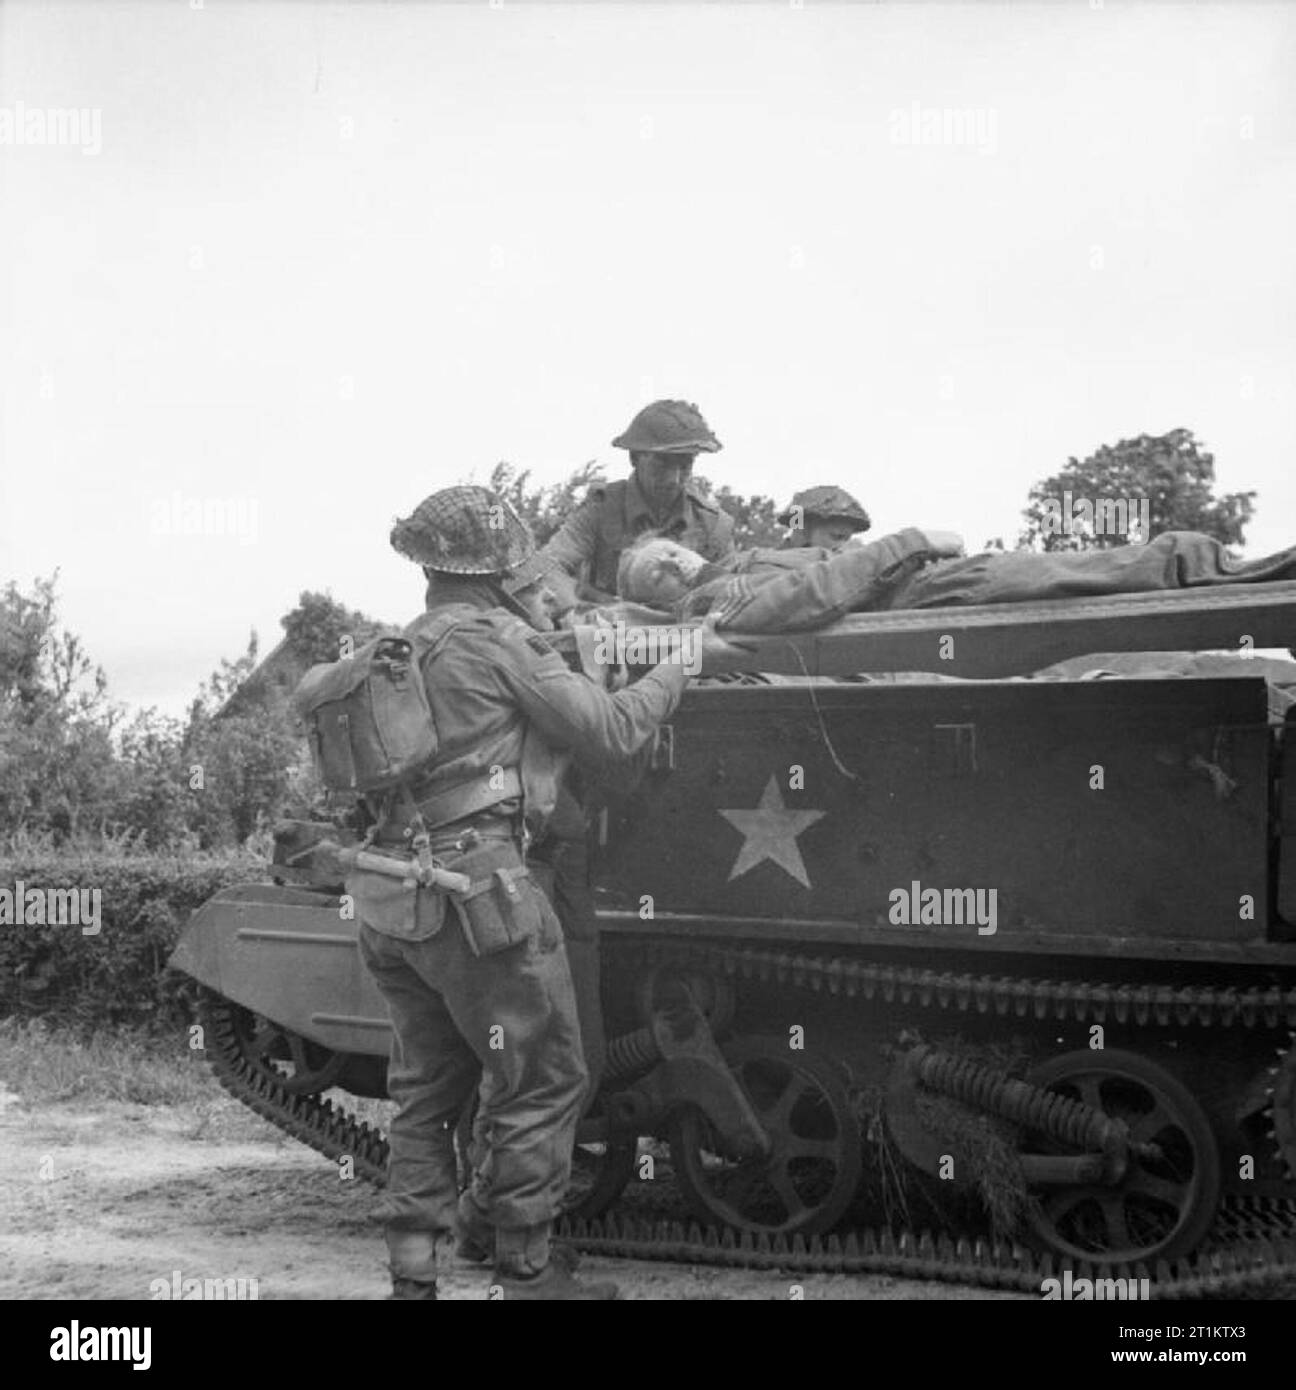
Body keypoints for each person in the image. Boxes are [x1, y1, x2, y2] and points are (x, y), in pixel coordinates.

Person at [354, 485, 739, 1301]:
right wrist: (682, 661)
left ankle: (412, 1278)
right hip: (482, 896)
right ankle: (525, 1274)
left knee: (426, 1088)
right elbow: (611, 728)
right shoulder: (498, 642)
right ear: (500, 567)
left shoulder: (391, 649)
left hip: (394, 897)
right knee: (546, 1076)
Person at [614, 527, 1296, 633]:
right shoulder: (713, 600)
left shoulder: (735, 563)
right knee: (1096, 571)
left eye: (668, 551)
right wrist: (908, 543)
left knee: (1082, 577)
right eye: (656, 574)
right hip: (925, 596)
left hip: (926, 591)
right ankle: (1240, 572)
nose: (672, 563)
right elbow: (807, 595)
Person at [540, 399, 737, 601]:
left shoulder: (713, 525)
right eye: (662, 464)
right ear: (634, 458)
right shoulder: (601, 509)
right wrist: (576, 611)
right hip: (608, 629)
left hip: (691, 630)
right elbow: (548, 566)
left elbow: (736, 589)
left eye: (685, 466)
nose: (674, 479)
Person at [778, 485, 872, 550]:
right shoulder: (770, 569)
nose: (843, 547)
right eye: (837, 537)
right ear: (804, 531)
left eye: (847, 540)